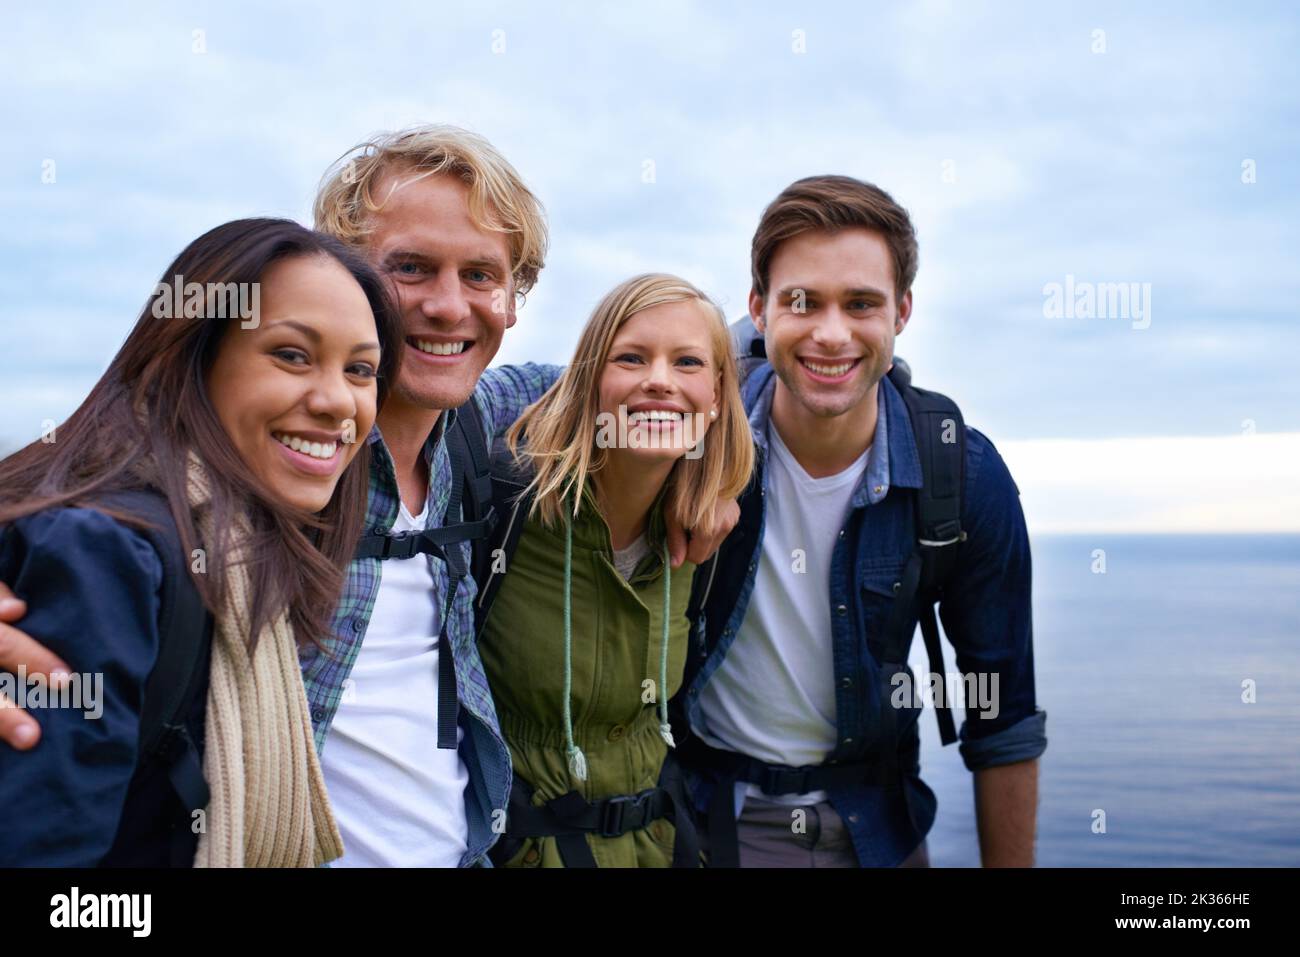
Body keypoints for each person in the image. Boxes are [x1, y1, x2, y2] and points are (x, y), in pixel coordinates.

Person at [0, 218, 405, 866]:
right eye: (292, 355)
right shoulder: (105, 556)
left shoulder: (242, 555)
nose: (338, 401)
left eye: (360, 369)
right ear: (194, 358)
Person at [675, 175, 1048, 867]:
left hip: (874, 830)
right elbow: (573, 397)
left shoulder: (961, 476)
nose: (832, 333)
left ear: (902, 312)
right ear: (759, 308)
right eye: (802, 301)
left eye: (861, 303)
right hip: (699, 824)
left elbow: (1004, 723)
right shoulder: (689, 427)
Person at [476, 274, 752, 867]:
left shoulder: (710, 529)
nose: (659, 380)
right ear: (590, 379)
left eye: (687, 363)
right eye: (631, 358)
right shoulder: (505, 502)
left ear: (717, 390)